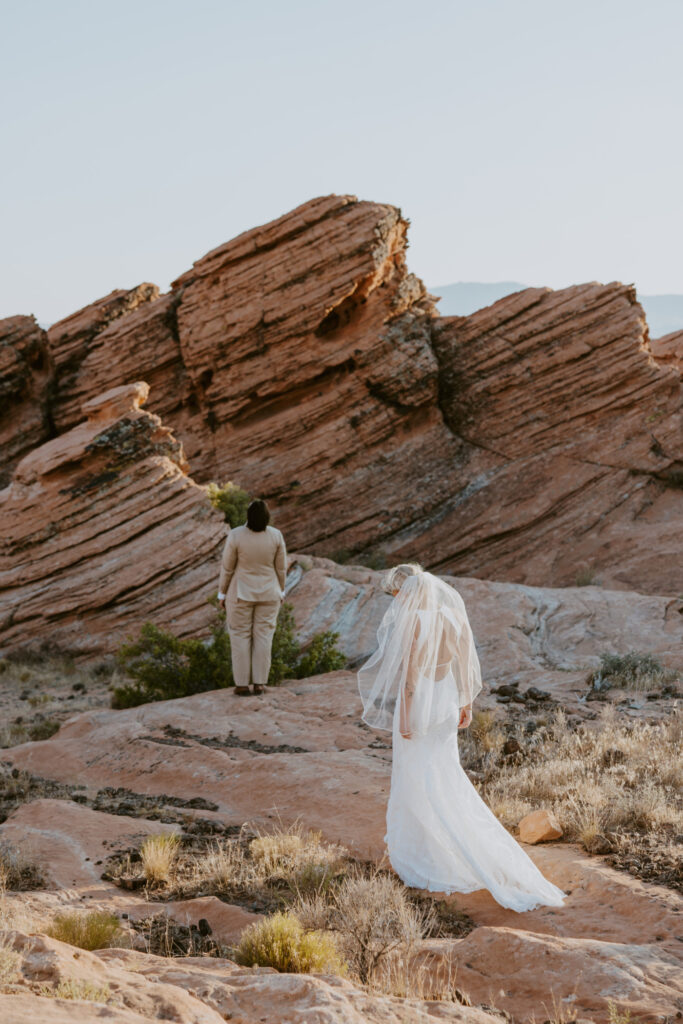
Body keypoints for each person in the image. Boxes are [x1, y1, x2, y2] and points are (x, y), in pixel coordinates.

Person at [357, 563, 566, 912]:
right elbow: (465, 660)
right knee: (444, 776)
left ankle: (424, 854)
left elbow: (410, 678)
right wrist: (466, 703)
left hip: (421, 704)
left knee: (414, 779)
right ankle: (463, 847)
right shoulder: (452, 613)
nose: (396, 601)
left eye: (397, 594)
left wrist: (406, 717)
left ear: (408, 591)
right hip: (446, 702)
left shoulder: (416, 621)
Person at [218, 500, 287, 695]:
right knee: (264, 636)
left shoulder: (236, 535)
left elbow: (227, 567)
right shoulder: (276, 535)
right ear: (267, 518)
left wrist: (222, 593)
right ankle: (260, 683)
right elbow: (281, 568)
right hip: (269, 592)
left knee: (240, 635)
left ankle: (241, 685)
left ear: (248, 516)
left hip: (241, 593)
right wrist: (281, 590)